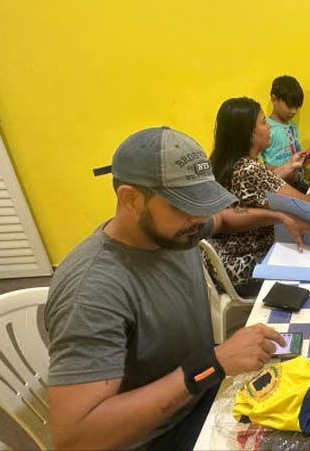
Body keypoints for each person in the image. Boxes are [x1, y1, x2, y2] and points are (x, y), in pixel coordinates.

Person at [46, 126, 295, 450]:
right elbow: (76, 439)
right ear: (131, 199)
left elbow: (222, 219)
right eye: (185, 205)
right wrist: (212, 365)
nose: (200, 217)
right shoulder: (92, 291)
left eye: (202, 201)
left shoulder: (176, 230)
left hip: (203, 395)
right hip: (161, 437)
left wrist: (280, 216)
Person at [210, 97, 310, 286]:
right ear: (249, 134)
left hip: (223, 259)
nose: (269, 126)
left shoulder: (224, 163)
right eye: (263, 122)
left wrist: (292, 165)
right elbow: (308, 206)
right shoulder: (249, 170)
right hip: (247, 264)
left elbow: (262, 185)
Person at [259, 75, 310, 193]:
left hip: (298, 185)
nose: (293, 111)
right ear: (274, 99)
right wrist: (285, 171)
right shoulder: (265, 128)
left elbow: (295, 157)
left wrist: (306, 158)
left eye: (296, 107)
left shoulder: (293, 126)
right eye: (289, 105)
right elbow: (258, 168)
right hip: (279, 189)